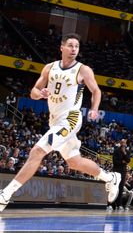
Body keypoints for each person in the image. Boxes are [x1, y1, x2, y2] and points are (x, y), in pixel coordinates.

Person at [0, 33, 121, 212]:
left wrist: (94, 108)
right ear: (62, 47)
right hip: (54, 120)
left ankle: (5, 194)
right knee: (75, 162)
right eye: (70, 45)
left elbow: (96, 91)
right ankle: (110, 178)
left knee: (37, 151)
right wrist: (39, 94)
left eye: (77, 46)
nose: (74, 49)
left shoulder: (83, 69)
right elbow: (33, 90)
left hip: (70, 119)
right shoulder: (49, 68)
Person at [111, 138, 130, 210]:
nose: (123, 144)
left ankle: (119, 204)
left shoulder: (127, 152)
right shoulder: (116, 151)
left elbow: (128, 160)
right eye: (122, 142)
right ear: (120, 143)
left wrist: (124, 154)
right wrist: (122, 162)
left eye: (124, 143)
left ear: (126, 144)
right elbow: (115, 162)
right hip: (116, 171)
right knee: (114, 187)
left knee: (121, 188)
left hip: (123, 172)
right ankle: (112, 204)